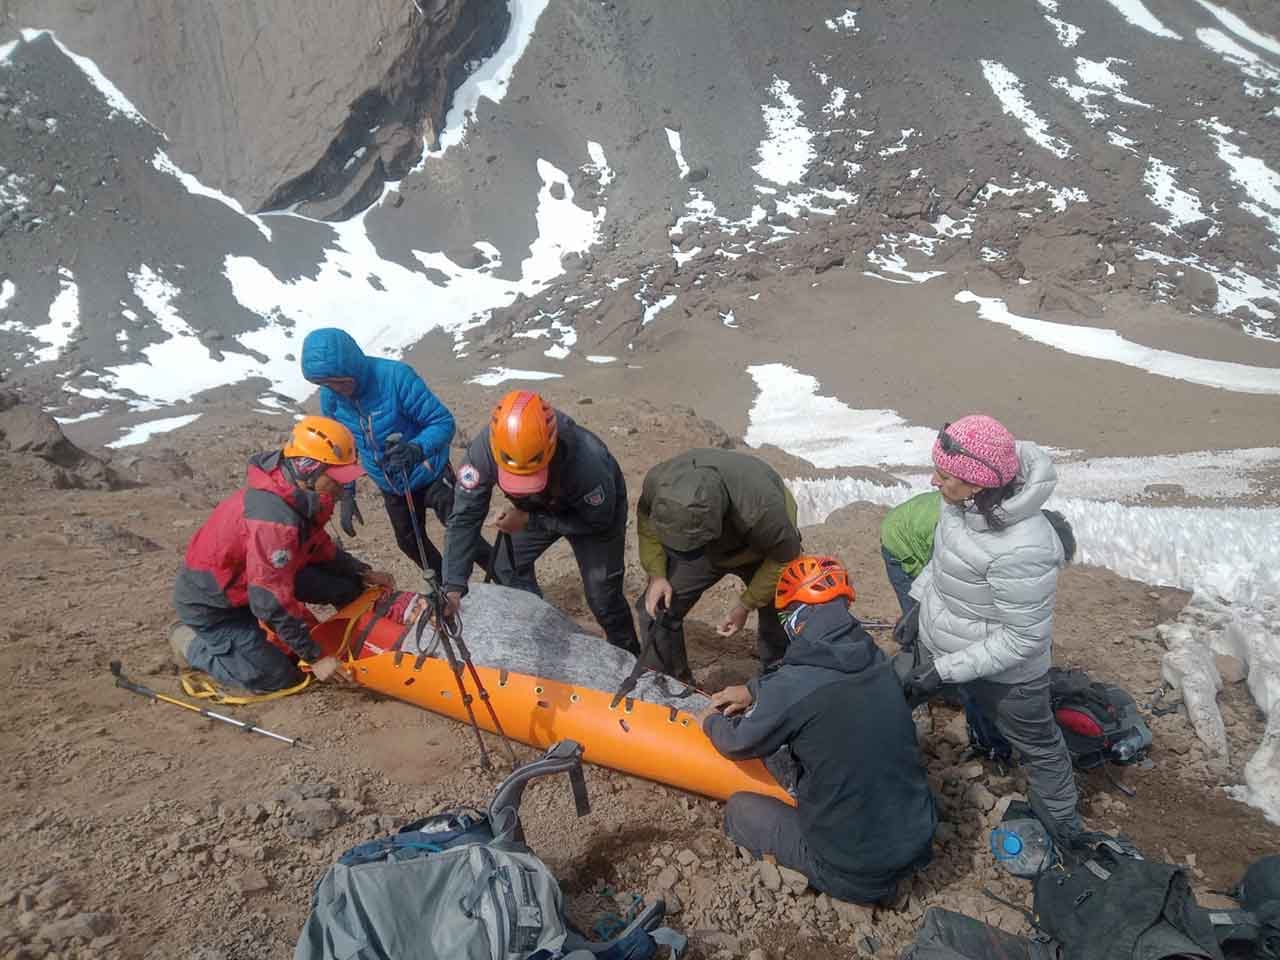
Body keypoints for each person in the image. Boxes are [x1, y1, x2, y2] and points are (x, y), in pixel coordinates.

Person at [699, 556, 937, 904]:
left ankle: (839, 882)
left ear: (795, 620)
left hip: (853, 869)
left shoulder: (796, 683)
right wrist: (754, 690)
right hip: (916, 841)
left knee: (741, 811)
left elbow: (738, 742)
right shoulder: (876, 660)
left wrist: (709, 720)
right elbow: (809, 682)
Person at [897, 414, 1080, 834]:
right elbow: (945, 560)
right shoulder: (959, 503)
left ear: (978, 483)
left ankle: (1064, 829)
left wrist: (943, 671)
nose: (932, 482)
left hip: (1008, 676)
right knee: (890, 695)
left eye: (943, 475)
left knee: (1039, 747)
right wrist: (917, 601)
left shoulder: (1024, 547)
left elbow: (1022, 639)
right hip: (940, 639)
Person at [172, 417, 394, 693]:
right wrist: (316, 658)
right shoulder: (273, 520)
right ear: (308, 468)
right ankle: (188, 642)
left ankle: (364, 643)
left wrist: (359, 570)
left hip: (261, 579)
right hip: (217, 605)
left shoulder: (301, 495)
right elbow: (268, 601)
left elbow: (316, 545)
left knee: (348, 586)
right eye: (336, 478)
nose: (342, 488)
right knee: (278, 678)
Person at [440, 390, 640, 655]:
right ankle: (543, 628)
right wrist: (453, 586)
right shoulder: (482, 454)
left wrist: (529, 519)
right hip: (535, 510)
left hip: (589, 517)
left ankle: (627, 653)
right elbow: (464, 517)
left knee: (602, 596)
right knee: (505, 566)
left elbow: (597, 522)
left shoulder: (587, 462)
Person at [300, 327, 490, 579]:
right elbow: (343, 449)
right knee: (410, 543)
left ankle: (509, 580)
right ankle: (449, 592)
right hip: (391, 484)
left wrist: (415, 449)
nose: (335, 388)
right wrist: (347, 492)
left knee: (462, 534)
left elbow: (442, 422)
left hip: (429, 472)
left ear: (352, 366)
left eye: (340, 381)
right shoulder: (331, 397)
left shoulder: (395, 377)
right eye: (326, 384)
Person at [636, 449, 802, 682]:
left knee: (781, 617)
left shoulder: (763, 510)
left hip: (765, 551)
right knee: (655, 609)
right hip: (706, 546)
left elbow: (785, 559)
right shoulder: (659, 484)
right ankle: (670, 683)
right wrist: (657, 574)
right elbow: (645, 517)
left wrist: (746, 604)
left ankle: (773, 683)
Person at [880, 491, 941, 615]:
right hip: (896, 539)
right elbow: (936, 571)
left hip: (906, 525)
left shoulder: (957, 498)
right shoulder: (944, 526)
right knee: (914, 610)